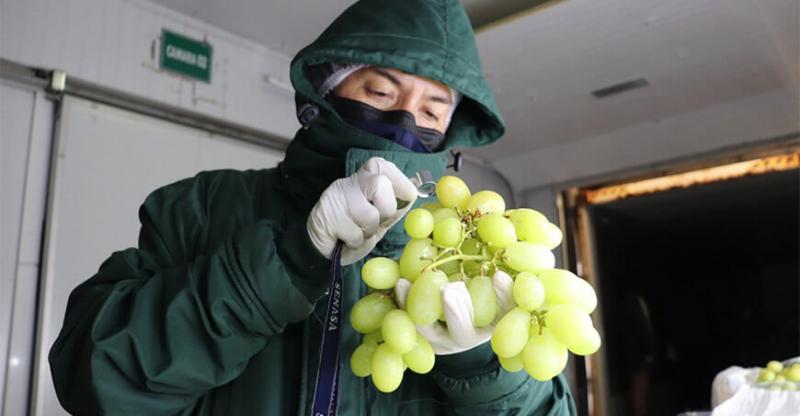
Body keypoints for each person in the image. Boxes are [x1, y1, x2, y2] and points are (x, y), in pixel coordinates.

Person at [49, 0, 577, 414]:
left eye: (433, 109)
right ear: (327, 87)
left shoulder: (472, 246)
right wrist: (284, 264)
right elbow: (94, 378)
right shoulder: (203, 206)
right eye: (380, 92)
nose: (405, 121)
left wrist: (480, 362)